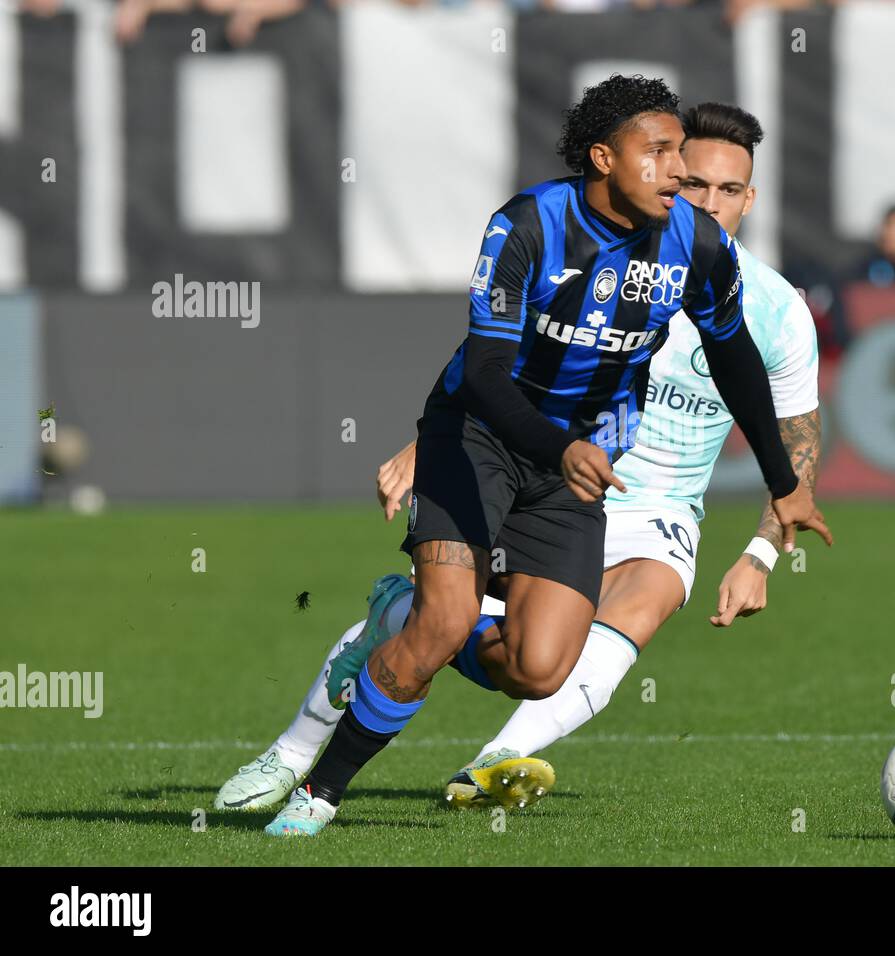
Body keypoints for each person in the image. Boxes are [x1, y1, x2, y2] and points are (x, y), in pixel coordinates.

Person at [215, 101, 824, 816]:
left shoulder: (764, 301)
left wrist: (766, 539)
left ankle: (492, 751)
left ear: (750, 199)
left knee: (562, 653)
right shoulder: (542, 225)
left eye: (727, 189)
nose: (703, 197)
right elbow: (495, 362)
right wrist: (431, 442)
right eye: (691, 180)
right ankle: (309, 766)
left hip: (641, 498)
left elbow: (778, 411)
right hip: (523, 450)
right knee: (441, 625)